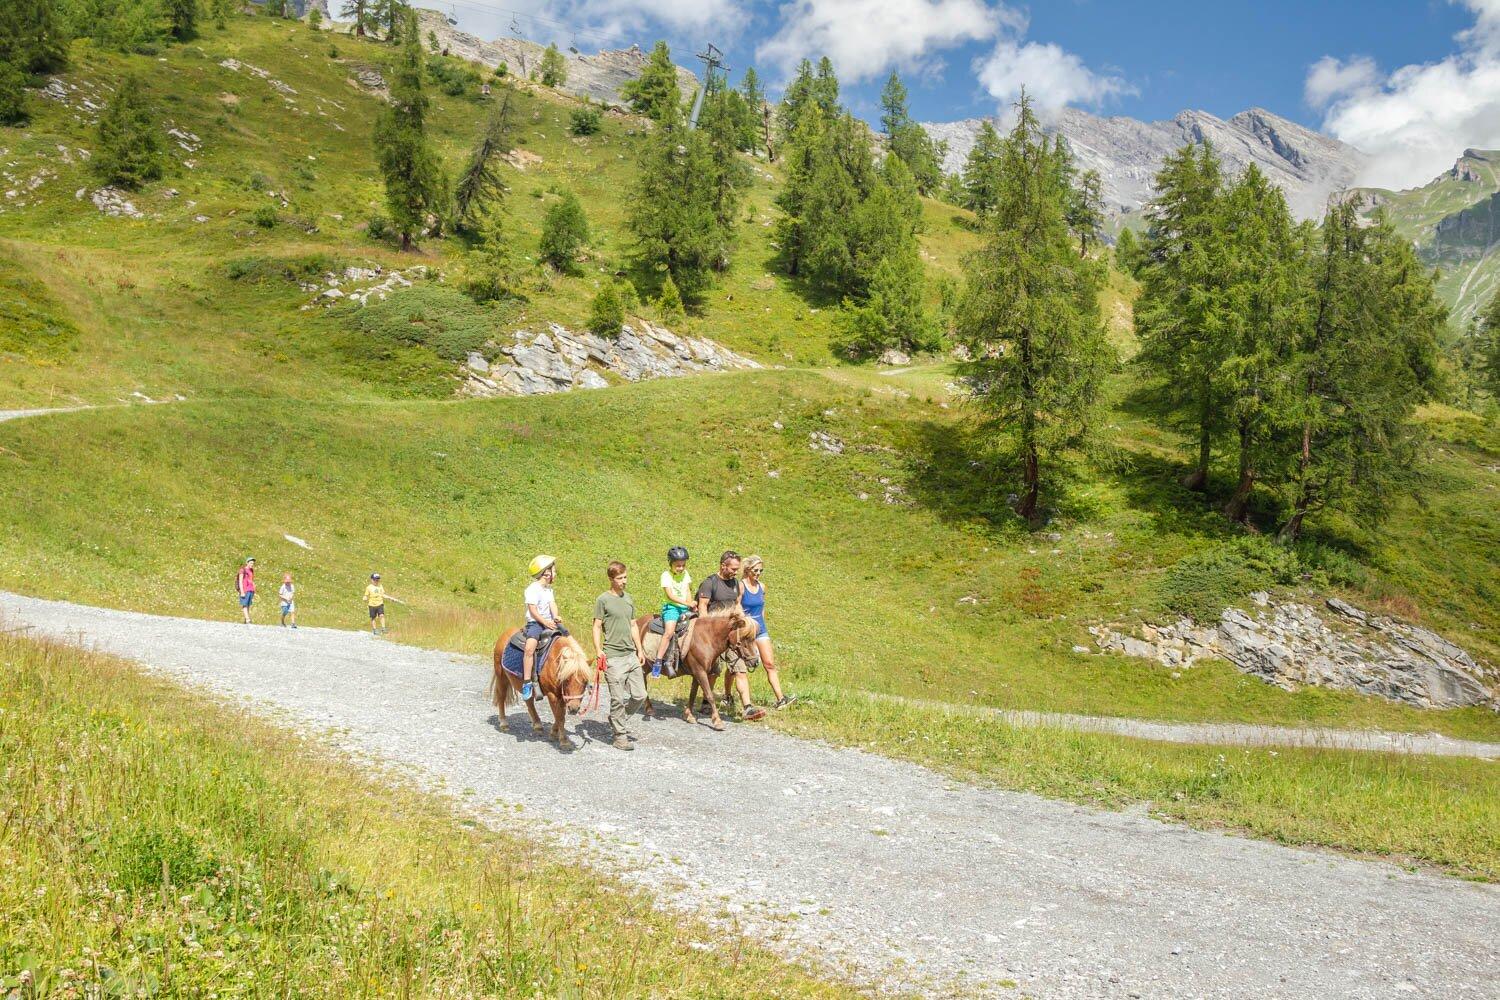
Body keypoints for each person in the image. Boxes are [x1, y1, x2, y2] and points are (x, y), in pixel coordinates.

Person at [696, 550, 766, 722]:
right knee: (713, 671)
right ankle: (706, 701)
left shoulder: (735, 583)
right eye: (733, 569)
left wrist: (743, 621)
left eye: (737, 569)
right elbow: (702, 607)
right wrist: (705, 631)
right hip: (714, 635)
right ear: (723, 566)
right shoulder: (710, 583)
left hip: (733, 634)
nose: (736, 572)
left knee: (740, 668)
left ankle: (747, 708)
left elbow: (736, 604)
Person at [592, 560, 647, 751]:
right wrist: (598, 650)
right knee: (617, 699)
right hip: (613, 657)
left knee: (640, 695)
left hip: (630, 655)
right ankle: (620, 737)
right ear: (611, 579)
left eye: (625, 577)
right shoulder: (603, 600)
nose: (624, 581)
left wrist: (639, 649)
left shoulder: (629, 598)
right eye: (620, 578)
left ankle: (617, 719)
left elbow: (633, 625)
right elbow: (597, 626)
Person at [741, 555, 796, 710]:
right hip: (746, 631)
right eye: (755, 570)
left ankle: (781, 699)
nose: (758, 573)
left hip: (761, 630)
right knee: (739, 667)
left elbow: (762, 608)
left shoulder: (762, 587)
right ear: (748, 570)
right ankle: (727, 695)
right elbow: (737, 607)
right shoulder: (741, 586)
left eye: (761, 571)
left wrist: (762, 624)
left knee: (769, 664)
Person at [521, 555, 564, 701]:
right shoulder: (532, 589)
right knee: (530, 648)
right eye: (553, 571)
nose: (555, 573)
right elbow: (533, 610)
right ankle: (527, 682)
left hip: (549, 622)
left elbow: (552, 604)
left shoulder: (548, 590)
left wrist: (556, 616)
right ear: (546, 573)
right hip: (536, 623)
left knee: (567, 638)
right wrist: (545, 622)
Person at [653, 546, 693, 679]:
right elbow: (670, 595)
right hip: (671, 608)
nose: (681, 568)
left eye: (683, 565)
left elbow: (687, 590)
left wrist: (691, 604)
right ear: (671, 564)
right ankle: (658, 661)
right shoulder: (666, 575)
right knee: (669, 632)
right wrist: (686, 603)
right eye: (678, 566)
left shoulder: (686, 574)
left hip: (685, 607)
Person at [236, 557, 256, 624]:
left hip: (251, 589)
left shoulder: (251, 570)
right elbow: (240, 581)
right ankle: (247, 619)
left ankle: (246, 618)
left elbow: (251, 579)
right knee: (244, 604)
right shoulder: (242, 570)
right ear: (247, 563)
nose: (252, 564)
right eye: (251, 563)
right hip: (245, 590)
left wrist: (254, 587)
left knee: (248, 605)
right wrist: (242, 591)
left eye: (253, 563)